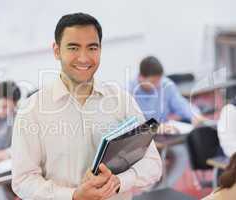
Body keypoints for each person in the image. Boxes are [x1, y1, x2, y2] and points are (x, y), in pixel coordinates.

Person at [11, 13, 162, 200]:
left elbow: (153, 163)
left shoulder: (122, 100)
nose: (84, 58)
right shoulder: (32, 110)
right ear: (56, 51)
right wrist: (73, 196)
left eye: (92, 48)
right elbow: (23, 180)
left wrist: (118, 182)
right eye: (73, 48)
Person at [128, 56, 204, 187]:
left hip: (164, 138)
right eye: (153, 82)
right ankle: (151, 192)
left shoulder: (165, 85)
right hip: (139, 142)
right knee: (150, 165)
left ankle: (162, 190)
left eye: (158, 81)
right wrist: (155, 127)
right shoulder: (128, 91)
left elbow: (181, 104)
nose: (157, 85)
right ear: (141, 77)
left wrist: (194, 115)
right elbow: (129, 123)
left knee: (181, 152)